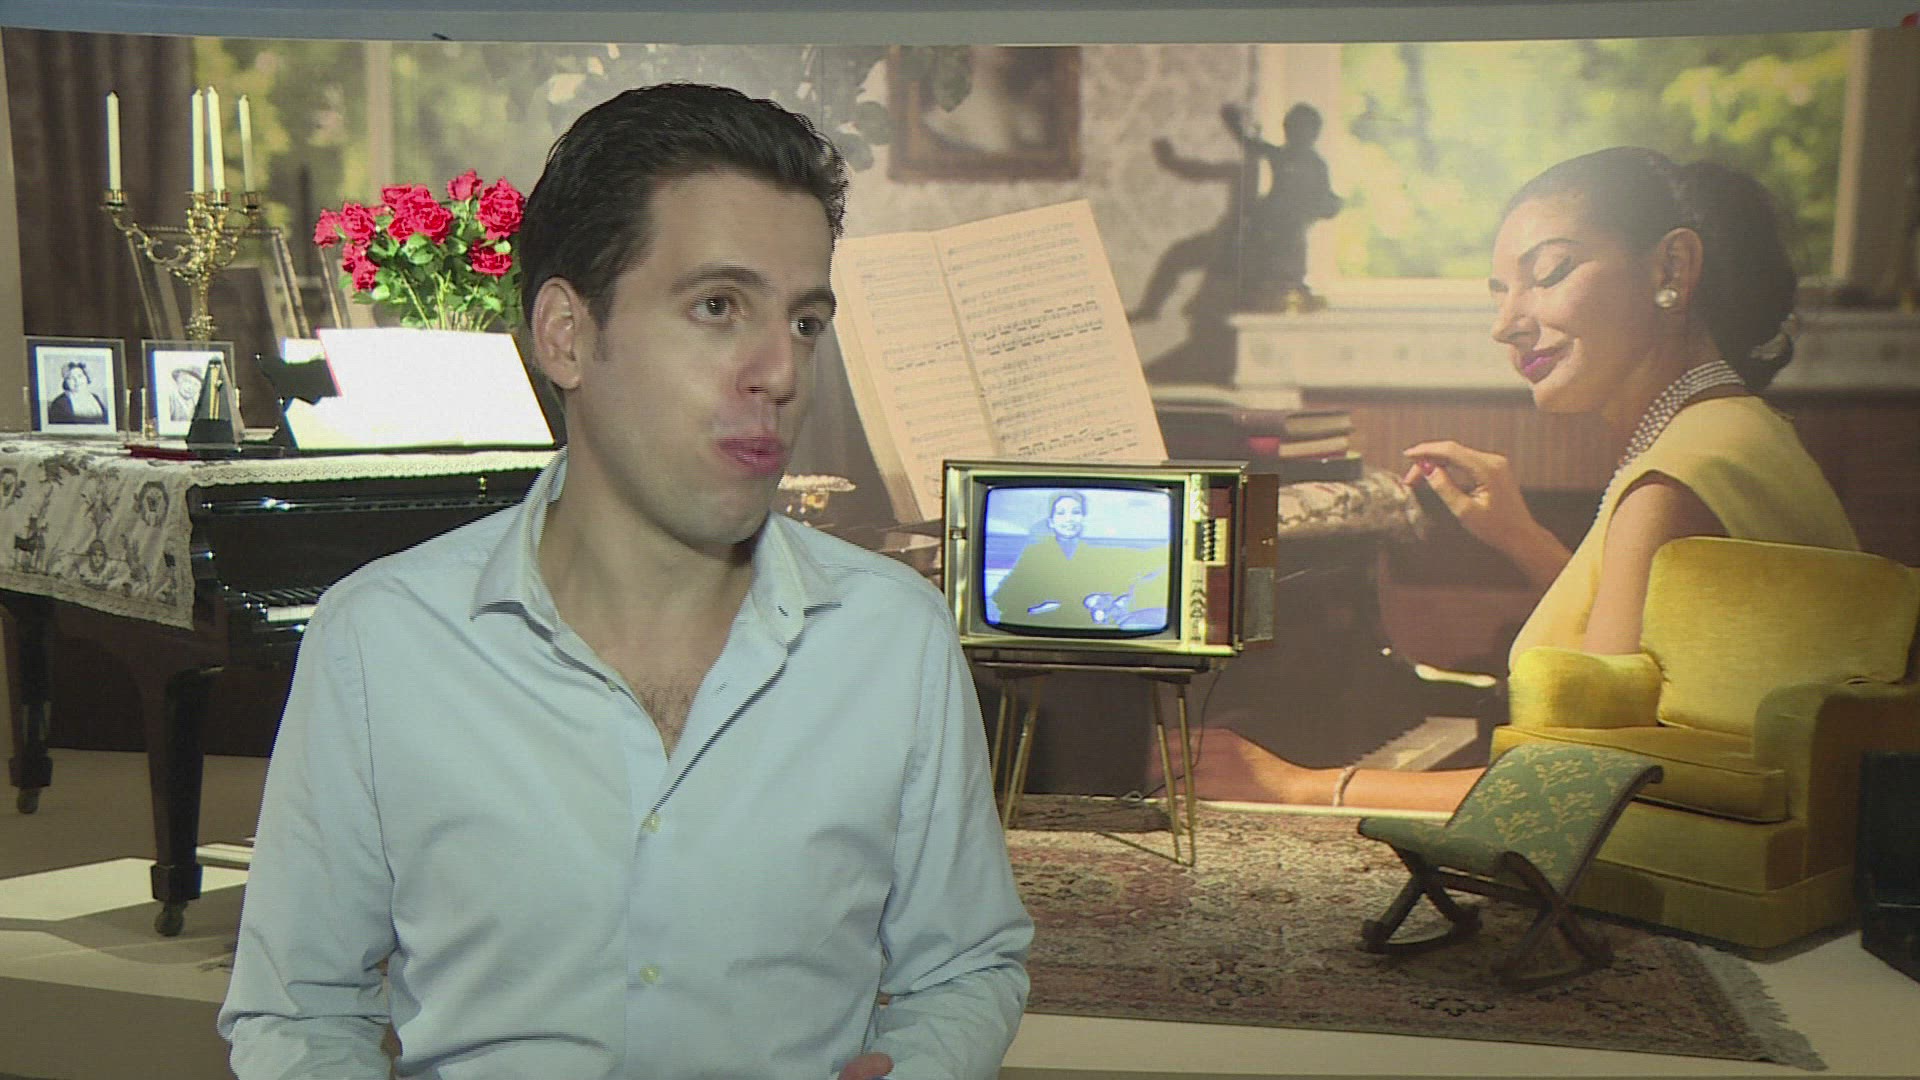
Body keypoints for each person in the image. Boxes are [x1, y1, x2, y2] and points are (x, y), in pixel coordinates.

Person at [219, 83, 1032, 1080]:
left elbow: (967, 967)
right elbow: (297, 1011)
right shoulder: (379, 640)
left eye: (806, 322)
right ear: (566, 334)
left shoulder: (893, 636)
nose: (782, 372)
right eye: (718, 307)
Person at [1174, 146, 1858, 811]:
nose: (1506, 326)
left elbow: (1576, 791)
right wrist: (1522, 539)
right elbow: (1664, 658)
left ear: (1671, 266)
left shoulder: (1674, 482)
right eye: (1500, 293)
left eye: (1550, 272)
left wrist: (1300, 786)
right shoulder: (1737, 434)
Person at [990, 491, 1169, 630]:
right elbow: (1002, 597)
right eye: (1061, 513)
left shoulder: (1093, 555)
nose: (1069, 519)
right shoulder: (1035, 554)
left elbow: (1144, 560)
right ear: (1051, 522)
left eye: (1076, 512)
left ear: (1083, 519)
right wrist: (1044, 607)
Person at [44, 360, 108, 424]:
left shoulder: (95, 397)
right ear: (65, 382)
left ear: (86, 378)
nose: (77, 381)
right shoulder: (60, 403)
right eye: (71, 378)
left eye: (80, 376)